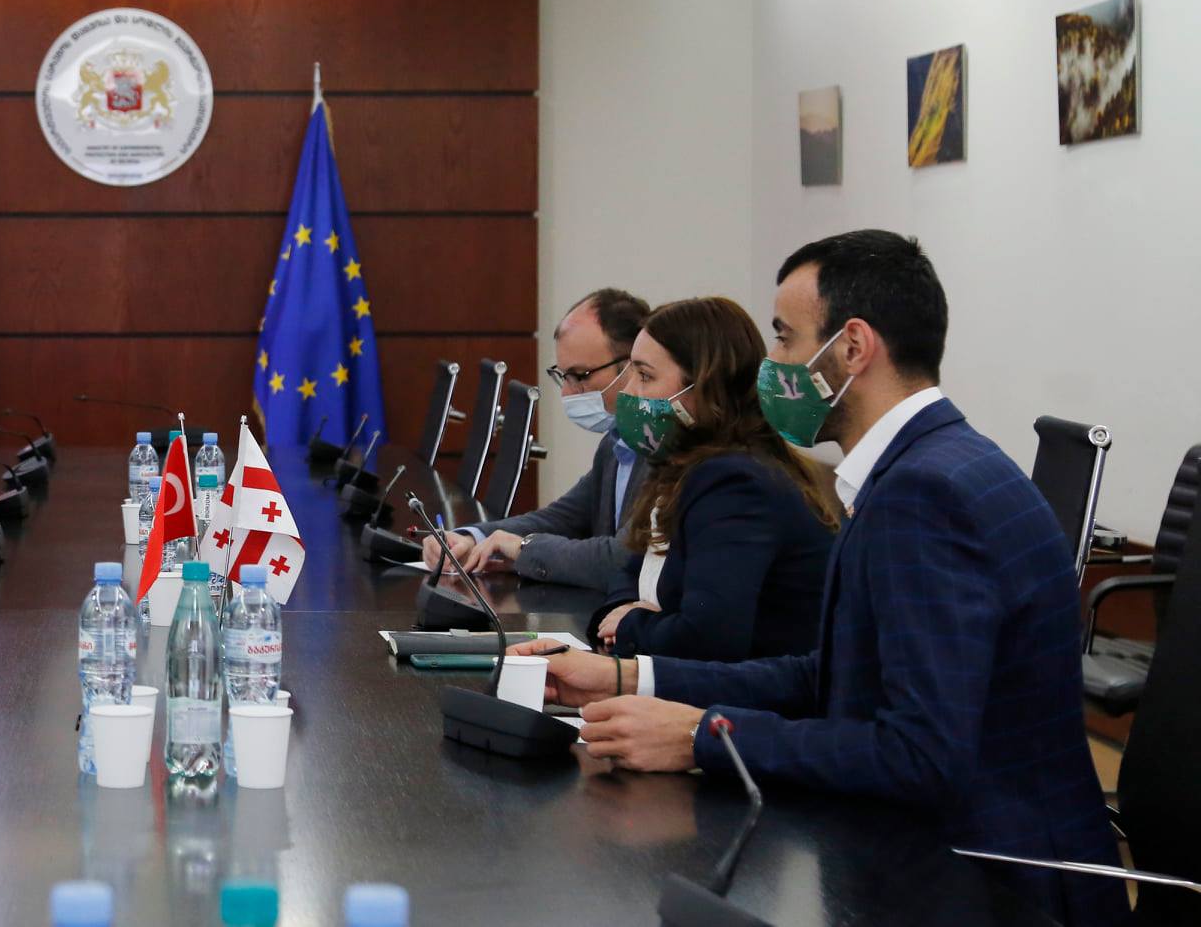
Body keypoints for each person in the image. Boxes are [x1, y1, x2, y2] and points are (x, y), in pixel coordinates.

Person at [517, 231, 1124, 927]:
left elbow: (920, 754)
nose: (770, 364)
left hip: (993, 886)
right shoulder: (929, 466)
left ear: (853, 346)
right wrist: (628, 679)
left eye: (784, 337)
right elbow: (832, 676)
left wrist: (702, 737)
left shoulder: (926, 495)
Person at [588, 297, 835, 661]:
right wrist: (620, 613)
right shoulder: (680, 466)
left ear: (704, 386)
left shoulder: (735, 482)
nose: (628, 393)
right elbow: (631, 572)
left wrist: (630, 626)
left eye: (645, 376)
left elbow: (707, 637)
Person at [425, 288, 651, 587]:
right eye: (562, 376)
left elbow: (620, 559)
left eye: (579, 376)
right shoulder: (615, 443)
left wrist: (522, 549)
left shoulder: (666, 449)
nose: (567, 393)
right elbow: (561, 518)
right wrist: (471, 538)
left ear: (633, 367)